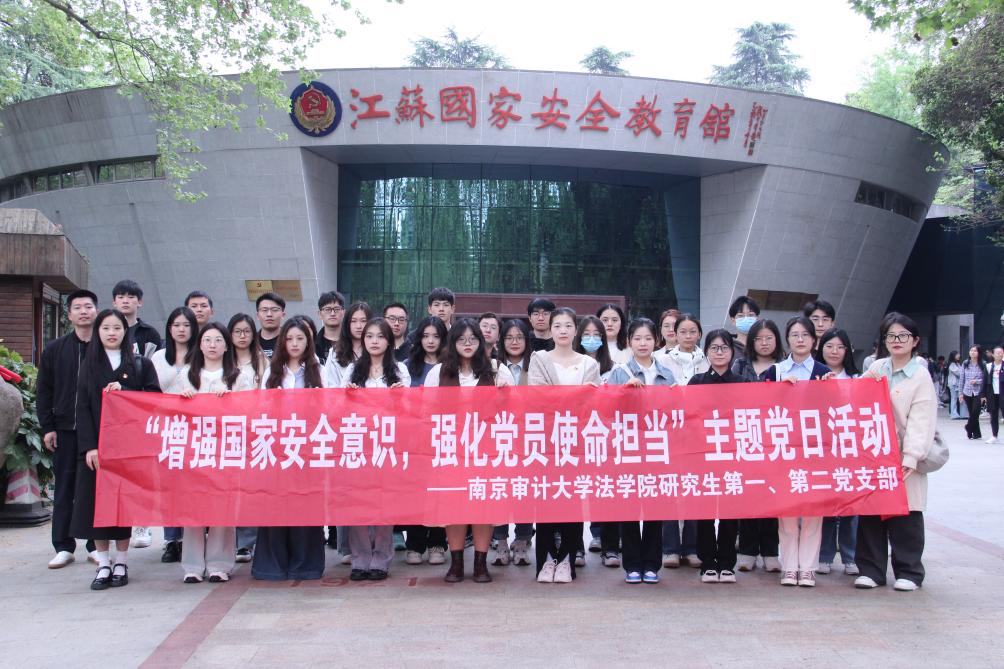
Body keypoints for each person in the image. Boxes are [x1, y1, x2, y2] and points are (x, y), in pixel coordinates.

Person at [72, 309, 160, 590]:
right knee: (96, 505)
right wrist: (89, 447)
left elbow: (155, 400)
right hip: (98, 448)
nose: (112, 333)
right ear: (98, 332)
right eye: (106, 328)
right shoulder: (89, 364)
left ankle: (121, 561)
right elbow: (83, 407)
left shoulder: (140, 364)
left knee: (123, 505)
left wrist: (126, 391)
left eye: (117, 328)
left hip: (128, 448)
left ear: (125, 332)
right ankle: (103, 562)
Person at [425, 319, 513, 583]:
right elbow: (426, 410)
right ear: (452, 343)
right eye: (461, 339)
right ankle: (456, 563)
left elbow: (513, 410)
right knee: (454, 506)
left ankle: (481, 563)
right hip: (450, 450)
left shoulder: (497, 370)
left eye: (472, 339)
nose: (467, 344)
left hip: (486, 451)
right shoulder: (439, 372)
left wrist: (504, 394)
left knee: (483, 506)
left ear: (480, 342)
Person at [855, 313, 937, 591]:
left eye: (903, 335)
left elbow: (921, 420)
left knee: (906, 514)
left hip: (904, 457)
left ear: (915, 341)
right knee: (871, 512)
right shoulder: (878, 367)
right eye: (891, 336)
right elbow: (854, 393)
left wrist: (911, 456)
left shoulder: (920, 376)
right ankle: (871, 570)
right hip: (874, 455)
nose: (896, 340)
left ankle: (909, 572)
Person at [173, 323, 256, 583]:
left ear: (226, 345)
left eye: (218, 340)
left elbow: (250, 411)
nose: (212, 345)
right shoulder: (187, 375)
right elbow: (171, 412)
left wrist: (232, 400)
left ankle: (220, 564)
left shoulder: (238, 376)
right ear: (199, 345)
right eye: (207, 340)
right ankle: (192, 565)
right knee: (193, 510)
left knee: (222, 509)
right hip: (195, 451)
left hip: (225, 451)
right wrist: (182, 399)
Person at [528, 308, 600, 583]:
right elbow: (538, 397)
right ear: (551, 329)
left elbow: (592, 403)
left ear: (575, 330)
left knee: (572, 502)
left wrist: (567, 399)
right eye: (557, 325)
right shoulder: (539, 359)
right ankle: (547, 560)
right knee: (546, 502)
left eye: (568, 325)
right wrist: (576, 396)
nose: (562, 330)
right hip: (545, 442)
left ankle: (567, 559)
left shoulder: (588, 363)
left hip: (576, 442)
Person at [253, 317, 327, 581]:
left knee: (305, 505)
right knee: (275, 505)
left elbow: (328, 408)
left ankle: (306, 565)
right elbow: (262, 408)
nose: (294, 344)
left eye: (300, 339)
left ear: (308, 342)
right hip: (276, 448)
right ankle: (271, 565)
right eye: (289, 339)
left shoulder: (319, 370)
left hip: (307, 448)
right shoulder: (273, 372)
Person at [607, 318, 675, 584]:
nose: (643, 343)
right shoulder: (619, 372)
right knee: (630, 508)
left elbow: (674, 412)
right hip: (629, 449)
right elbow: (608, 411)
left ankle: (652, 564)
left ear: (656, 341)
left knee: (655, 508)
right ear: (629, 342)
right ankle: (632, 564)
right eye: (637, 338)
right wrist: (624, 392)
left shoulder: (666, 373)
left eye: (648, 338)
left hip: (658, 448)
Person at [343, 318, 411, 581]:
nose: (374, 341)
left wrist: (400, 398)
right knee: (357, 502)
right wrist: (348, 395)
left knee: (384, 502)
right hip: (358, 444)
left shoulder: (400, 370)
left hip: (387, 444)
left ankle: (381, 559)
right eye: (369, 336)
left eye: (380, 336)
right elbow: (340, 408)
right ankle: (360, 558)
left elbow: (408, 411)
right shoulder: (353, 370)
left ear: (389, 341)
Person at [37, 289, 99, 570]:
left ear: (96, 310)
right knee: (63, 489)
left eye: (88, 306)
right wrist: (48, 426)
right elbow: (44, 391)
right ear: (69, 314)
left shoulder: (103, 348)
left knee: (95, 489)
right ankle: (63, 546)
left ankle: (96, 545)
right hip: (65, 430)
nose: (84, 311)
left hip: (97, 433)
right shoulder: (55, 349)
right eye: (78, 307)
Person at [768, 316, 830, 587]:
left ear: (814, 340)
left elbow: (835, 410)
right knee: (788, 514)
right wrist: (779, 391)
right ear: (787, 339)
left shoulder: (824, 372)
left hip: (815, 451)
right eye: (795, 334)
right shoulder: (775, 372)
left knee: (814, 513)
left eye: (805, 334)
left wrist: (829, 389)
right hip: (785, 450)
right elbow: (761, 408)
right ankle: (789, 567)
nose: (800, 339)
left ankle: (808, 568)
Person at [687, 329, 747, 584]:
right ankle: (708, 563)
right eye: (714, 348)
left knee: (730, 513)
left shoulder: (743, 384)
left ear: (732, 352)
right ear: (706, 352)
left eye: (724, 348)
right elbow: (688, 418)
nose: (719, 352)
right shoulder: (697, 382)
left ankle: (727, 563)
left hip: (733, 456)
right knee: (705, 512)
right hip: (704, 456)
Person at [732, 318, 784, 573]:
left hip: (777, 439)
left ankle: (771, 552)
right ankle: (747, 550)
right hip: (746, 437)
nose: (764, 343)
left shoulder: (784, 367)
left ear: (777, 340)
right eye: (759, 339)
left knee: (774, 496)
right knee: (749, 495)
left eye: (769, 338)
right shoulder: (740, 365)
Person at [150, 306, 199, 563]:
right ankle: (171, 540)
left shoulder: (202, 355)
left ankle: (194, 537)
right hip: (167, 429)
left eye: (186, 325)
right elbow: (149, 392)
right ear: (169, 329)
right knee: (169, 486)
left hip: (196, 430)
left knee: (194, 486)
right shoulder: (158, 357)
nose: (181, 329)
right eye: (177, 325)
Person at [658, 314, 707, 569]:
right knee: (669, 490)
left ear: (699, 334)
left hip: (699, 434)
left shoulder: (707, 359)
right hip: (669, 432)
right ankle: (669, 548)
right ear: (674, 334)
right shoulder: (660, 359)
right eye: (683, 331)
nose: (688, 336)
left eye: (692, 331)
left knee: (693, 490)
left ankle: (690, 548)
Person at [816, 328, 861, 577]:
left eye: (840, 347)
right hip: (823, 450)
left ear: (847, 350)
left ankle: (850, 556)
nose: (834, 351)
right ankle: (824, 556)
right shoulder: (815, 377)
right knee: (825, 507)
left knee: (850, 508)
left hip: (851, 449)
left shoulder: (857, 378)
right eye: (829, 346)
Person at [490, 318, 535, 567]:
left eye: (519, 337)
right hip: (500, 437)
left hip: (530, 437)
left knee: (523, 491)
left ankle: (522, 540)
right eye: (509, 337)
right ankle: (500, 541)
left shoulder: (537, 364)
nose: (514, 342)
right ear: (501, 341)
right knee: (499, 490)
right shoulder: (491, 366)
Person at [573, 314, 617, 564]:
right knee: (577, 491)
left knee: (606, 491)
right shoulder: (573, 364)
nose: (591, 339)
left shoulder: (614, 368)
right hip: (576, 437)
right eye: (586, 334)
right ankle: (576, 546)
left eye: (596, 335)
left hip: (606, 439)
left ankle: (610, 546)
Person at [227, 313, 267, 562]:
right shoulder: (222, 359)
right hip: (225, 432)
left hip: (253, 432)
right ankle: (228, 541)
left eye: (247, 331)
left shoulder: (262, 361)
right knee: (229, 489)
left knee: (250, 489)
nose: (242, 336)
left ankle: (247, 543)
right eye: (237, 331)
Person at [325, 302, 373, 390]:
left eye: (363, 321)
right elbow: (329, 384)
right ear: (347, 324)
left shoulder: (376, 350)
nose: (359, 326)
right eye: (353, 321)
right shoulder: (335, 352)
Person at [112, 279, 162, 357]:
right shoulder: (107, 331)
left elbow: (154, 360)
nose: (125, 301)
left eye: (130, 297)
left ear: (140, 302)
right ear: (114, 302)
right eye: (121, 297)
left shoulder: (150, 333)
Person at [961, 345, 986, 440]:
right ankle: (976, 433)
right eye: (971, 350)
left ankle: (968, 427)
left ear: (979, 353)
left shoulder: (983, 363)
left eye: (975, 351)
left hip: (978, 391)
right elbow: (962, 379)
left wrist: (977, 381)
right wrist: (960, 393)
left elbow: (985, 378)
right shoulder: (965, 363)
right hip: (967, 391)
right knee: (972, 413)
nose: (972, 352)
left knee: (976, 411)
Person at [315, 291, 345, 366]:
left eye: (336, 309)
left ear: (343, 313)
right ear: (319, 314)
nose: (332, 313)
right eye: (328, 309)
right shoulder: (313, 345)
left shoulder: (352, 341)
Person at [728, 295, 761, 363]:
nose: (746, 319)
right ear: (733, 320)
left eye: (750, 315)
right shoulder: (727, 349)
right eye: (740, 316)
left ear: (757, 318)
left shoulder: (765, 346)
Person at [256, 292, 286, 358]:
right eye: (264, 310)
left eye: (275, 310)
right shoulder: (251, 341)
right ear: (257, 316)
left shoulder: (289, 340)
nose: (269, 314)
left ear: (283, 315)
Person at [985, 346, 1004, 444]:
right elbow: (985, 381)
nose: (1000, 354)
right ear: (993, 354)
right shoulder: (988, 366)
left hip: (1002, 394)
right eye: (997, 353)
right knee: (994, 416)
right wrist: (983, 395)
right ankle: (994, 436)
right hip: (992, 394)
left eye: (1001, 352)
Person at [947, 351, 968, 420]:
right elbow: (959, 373)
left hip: (959, 384)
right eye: (957, 355)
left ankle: (963, 414)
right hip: (953, 384)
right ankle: (954, 414)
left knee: (961, 398)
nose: (959, 355)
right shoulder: (952, 364)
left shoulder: (958, 364)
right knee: (954, 398)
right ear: (953, 356)